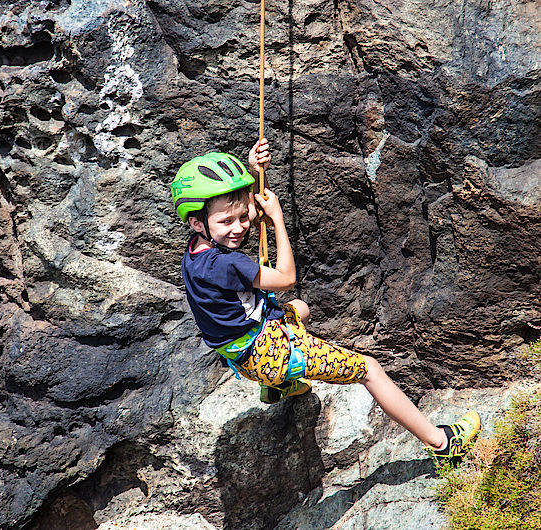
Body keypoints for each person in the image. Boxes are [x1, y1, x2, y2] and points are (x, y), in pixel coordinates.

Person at [170, 138, 481, 463]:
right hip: (269, 354)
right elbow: (286, 277)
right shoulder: (228, 264)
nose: (240, 227)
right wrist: (276, 218)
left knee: (300, 310)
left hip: (241, 354)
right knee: (369, 369)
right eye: (227, 222)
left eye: (242, 217)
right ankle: (443, 444)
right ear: (197, 221)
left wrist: (254, 170)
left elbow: (237, 207)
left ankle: (278, 386)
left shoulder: (196, 252)